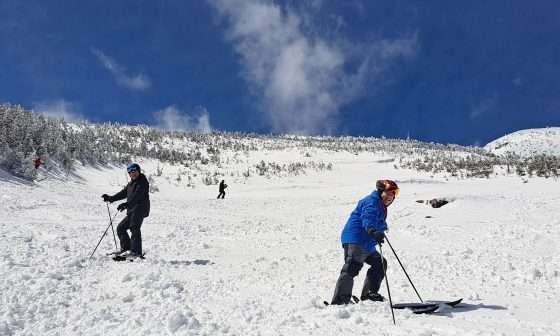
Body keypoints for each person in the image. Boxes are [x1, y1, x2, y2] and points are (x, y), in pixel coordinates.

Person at [331, 179, 400, 305]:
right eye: (388, 193)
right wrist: (373, 230)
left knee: (380, 263)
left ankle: (369, 294)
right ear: (380, 192)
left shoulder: (380, 205)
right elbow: (368, 217)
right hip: (356, 238)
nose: (390, 197)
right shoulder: (372, 202)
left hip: (366, 242)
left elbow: (376, 220)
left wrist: (380, 230)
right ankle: (340, 300)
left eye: (393, 194)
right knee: (352, 267)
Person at [102, 163, 150, 257]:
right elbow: (123, 193)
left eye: (134, 171)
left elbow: (137, 196)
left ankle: (136, 252)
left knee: (134, 228)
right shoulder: (131, 183)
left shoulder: (142, 182)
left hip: (140, 209)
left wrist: (126, 204)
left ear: (138, 171)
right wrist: (111, 198)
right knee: (121, 228)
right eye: (130, 172)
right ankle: (126, 248)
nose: (133, 173)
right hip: (132, 210)